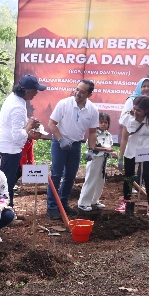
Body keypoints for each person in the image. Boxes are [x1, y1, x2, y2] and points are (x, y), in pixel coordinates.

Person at [46, 79, 99, 220]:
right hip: (59, 143)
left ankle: (63, 203)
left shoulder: (92, 109)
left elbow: (93, 132)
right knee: (56, 175)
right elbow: (52, 123)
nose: (78, 93)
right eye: (77, 90)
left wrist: (91, 150)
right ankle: (51, 207)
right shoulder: (64, 104)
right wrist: (60, 139)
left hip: (76, 145)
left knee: (70, 176)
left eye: (82, 92)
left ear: (89, 94)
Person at [0, 74, 47, 207]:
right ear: (27, 91)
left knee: (6, 183)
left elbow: (16, 127)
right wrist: (29, 126)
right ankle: (5, 213)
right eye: (35, 91)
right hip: (9, 151)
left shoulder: (15, 98)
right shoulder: (17, 106)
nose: (36, 94)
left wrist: (30, 127)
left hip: (5, 147)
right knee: (7, 183)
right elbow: (17, 136)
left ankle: (8, 211)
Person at [116, 96, 149, 219]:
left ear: (147, 111)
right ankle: (126, 201)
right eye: (135, 109)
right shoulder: (128, 117)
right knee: (129, 176)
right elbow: (124, 138)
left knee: (148, 176)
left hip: (146, 146)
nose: (135, 112)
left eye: (139, 110)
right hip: (132, 146)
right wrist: (120, 157)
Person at [122, 78, 149, 189]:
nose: (146, 88)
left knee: (145, 165)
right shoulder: (131, 100)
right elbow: (125, 118)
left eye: (148, 86)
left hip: (147, 139)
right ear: (139, 87)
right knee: (131, 166)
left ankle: (139, 185)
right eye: (143, 86)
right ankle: (128, 195)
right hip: (134, 138)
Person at [77, 113, 116, 211]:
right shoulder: (94, 133)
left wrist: (112, 153)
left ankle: (94, 200)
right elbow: (92, 146)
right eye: (101, 122)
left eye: (106, 122)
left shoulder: (108, 135)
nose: (103, 124)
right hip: (94, 159)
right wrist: (106, 149)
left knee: (100, 181)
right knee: (91, 180)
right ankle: (83, 202)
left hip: (103, 159)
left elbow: (109, 147)